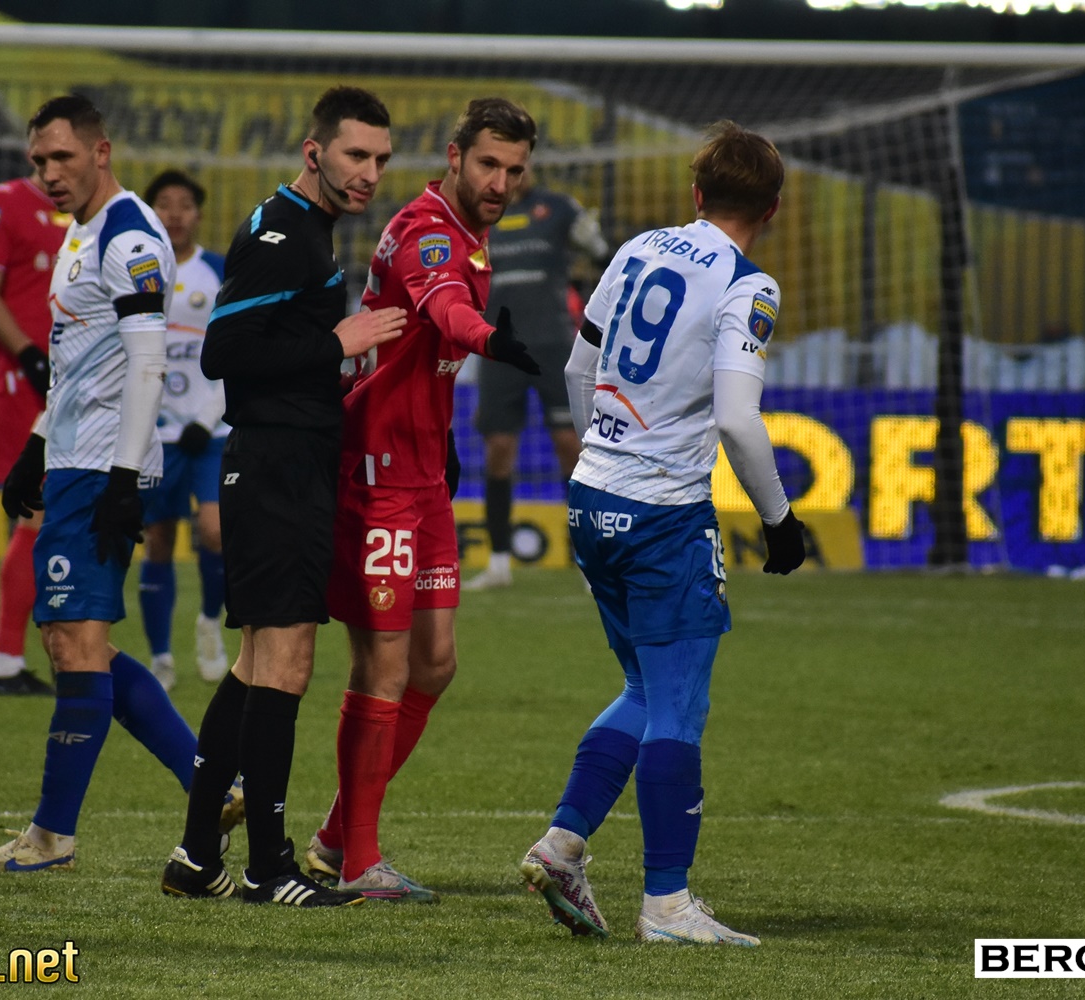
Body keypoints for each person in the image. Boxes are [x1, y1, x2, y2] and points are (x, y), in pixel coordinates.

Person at [517, 121, 807, 945]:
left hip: (592, 498)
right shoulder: (749, 285)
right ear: (772, 209)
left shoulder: (638, 248)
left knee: (644, 688)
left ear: (696, 193)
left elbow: (578, 368)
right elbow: (739, 421)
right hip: (662, 515)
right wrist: (780, 521)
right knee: (678, 703)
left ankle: (562, 846)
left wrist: (604, 457)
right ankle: (668, 907)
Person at [0, 95, 220, 873]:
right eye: (38, 160)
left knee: (75, 644)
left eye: (62, 157)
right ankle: (212, 783)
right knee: (77, 641)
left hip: (103, 464)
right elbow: (76, 366)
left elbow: (147, 361)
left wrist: (124, 479)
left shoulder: (130, 234)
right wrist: (37, 447)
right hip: (72, 459)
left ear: (101, 152)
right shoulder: (80, 232)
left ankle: (51, 837)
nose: (49, 173)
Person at [161, 87, 406, 908]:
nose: (369, 172)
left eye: (380, 159)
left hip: (283, 464)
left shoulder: (308, 228)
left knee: (255, 664)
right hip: (275, 469)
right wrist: (336, 342)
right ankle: (269, 868)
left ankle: (198, 857)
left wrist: (334, 363)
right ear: (314, 152)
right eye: (355, 155)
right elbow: (223, 353)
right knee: (286, 665)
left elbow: (274, 347)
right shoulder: (282, 233)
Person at [301, 98, 542, 901]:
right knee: (384, 664)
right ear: (453, 156)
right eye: (488, 165)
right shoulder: (428, 230)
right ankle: (357, 861)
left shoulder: (468, 230)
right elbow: (445, 307)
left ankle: (336, 839)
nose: (500, 182)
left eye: (514, 170)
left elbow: (422, 338)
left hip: (423, 472)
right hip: (375, 474)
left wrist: (440, 438)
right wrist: (491, 340)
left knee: (434, 665)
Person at [464, 172, 608, 590]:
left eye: (518, 166)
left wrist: (597, 246)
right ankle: (498, 563)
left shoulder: (559, 209)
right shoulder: (478, 218)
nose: (511, 175)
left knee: (571, 448)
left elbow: (606, 262)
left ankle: (588, 562)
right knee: (498, 449)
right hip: (499, 347)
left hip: (553, 346)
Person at [0, 144, 70, 695]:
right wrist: (30, 355)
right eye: (45, 151)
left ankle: (52, 652)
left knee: (62, 518)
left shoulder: (96, 212)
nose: (54, 164)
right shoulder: (3, 202)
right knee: (35, 517)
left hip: (77, 384)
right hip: (25, 384)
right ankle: (9, 662)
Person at [135, 169, 229, 689]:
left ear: (198, 214)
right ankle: (161, 657)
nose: (174, 214)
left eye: (185, 205)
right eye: (164, 204)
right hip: (155, 435)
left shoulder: (217, 271)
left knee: (215, 530)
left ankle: (210, 623)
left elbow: (237, 350)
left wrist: (205, 418)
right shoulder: (135, 270)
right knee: (159, 540)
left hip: (209, 432)